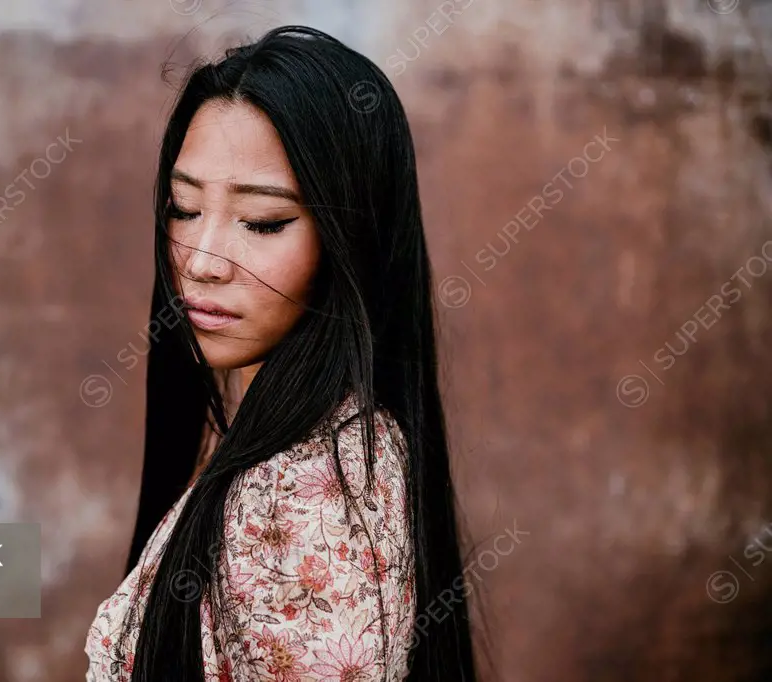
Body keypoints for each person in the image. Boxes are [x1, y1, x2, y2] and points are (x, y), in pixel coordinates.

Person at [85, 25, 478, 681]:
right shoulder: (304, 445)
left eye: (263, 222)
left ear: (353, 237)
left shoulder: (306, 490)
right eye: (183, 209)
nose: (201, 262)